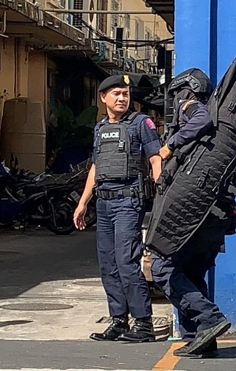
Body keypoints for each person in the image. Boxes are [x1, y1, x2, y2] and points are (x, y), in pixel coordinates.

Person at [73, 74, 162, 342]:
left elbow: (155, 159)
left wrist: (162, 192)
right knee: (108, 265)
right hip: (104, 203)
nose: (122, 98)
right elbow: (96, 167)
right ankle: (119, 321)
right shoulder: (100, 129)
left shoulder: (140, 124)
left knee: (126, 262)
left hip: (128, 202)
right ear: (103, 98)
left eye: (125, 94)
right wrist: (82, 203)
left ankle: (143, 324)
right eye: (116, 94)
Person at [149, 68, 232, 358]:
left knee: (162, 269)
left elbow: (201, 119)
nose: (175, 101)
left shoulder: (190, 104)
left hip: (193, 209)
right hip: (214, 212)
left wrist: (169, 146)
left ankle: (209, 319)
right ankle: (200, 340)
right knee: (191, 271)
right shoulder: (221, 121)